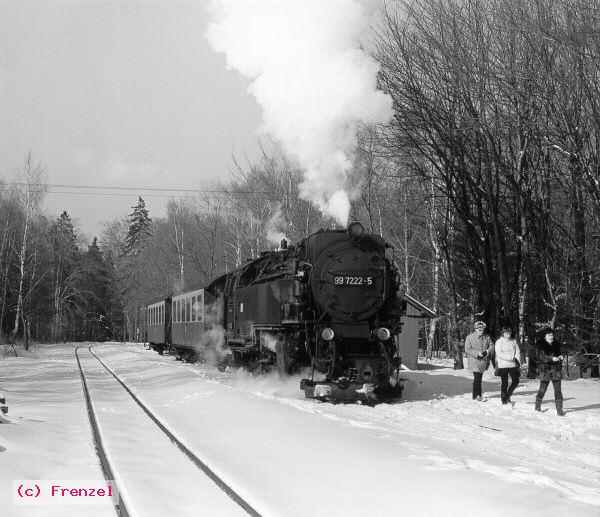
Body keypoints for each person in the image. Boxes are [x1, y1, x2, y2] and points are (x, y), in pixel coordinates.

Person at [535, 328, 565, 416]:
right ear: (544, 336)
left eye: (552, 335)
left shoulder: (556, 344)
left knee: (558, 390)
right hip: (545, 370)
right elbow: (540, 357)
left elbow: (559, 353)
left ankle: (559, 410)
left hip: (556, 370)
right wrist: (551, 358)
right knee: (542, 389)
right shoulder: (540, 345)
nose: (551, 337)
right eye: (549, 335)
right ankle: (537, 406)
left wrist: (560, 356)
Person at [465, 320, 493, 400]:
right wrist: (477, 353)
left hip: (483, 362)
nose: (480, 331)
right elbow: (467, 349)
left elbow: (492, 345)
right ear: (475, 329)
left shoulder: (487, 337)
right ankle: (478, 396)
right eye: (478, 329)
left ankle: (475, 395)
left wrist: (487, 351)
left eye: (482, 329)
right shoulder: (469, 337)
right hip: (474, 361)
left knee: (479, 378)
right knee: (477, 378)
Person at [494, 326, 521, 405]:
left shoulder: (513, 341)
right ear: (503, 334)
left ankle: (508, 395)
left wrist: (516, 359)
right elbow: (499, 353)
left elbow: (518, 351)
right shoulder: (499, 342)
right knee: (504, 382)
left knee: (516, 380)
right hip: (503, 365)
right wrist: (510, 358)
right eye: (506, 333)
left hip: (513, 364)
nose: (508, 334)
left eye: (509, 333)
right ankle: (503, 398)